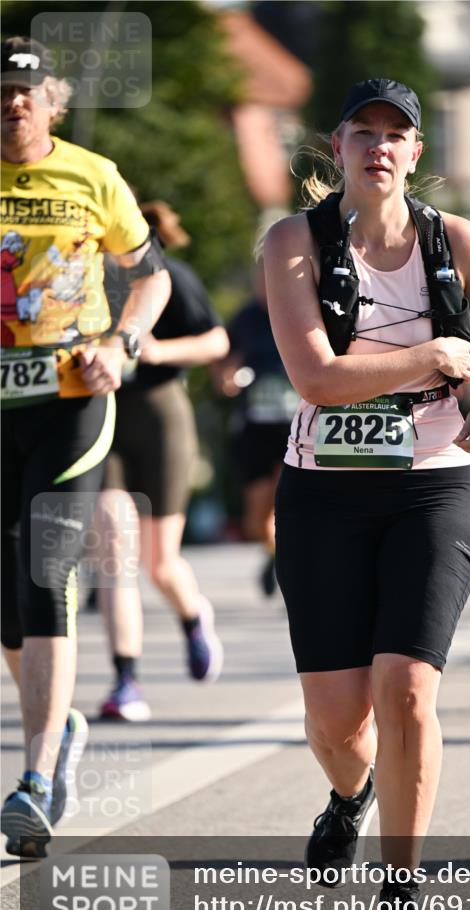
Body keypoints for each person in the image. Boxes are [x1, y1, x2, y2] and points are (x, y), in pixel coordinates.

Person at [263, 78, 470, 910]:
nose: (379, 146)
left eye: (395, 134)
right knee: (336, 722)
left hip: (435, 484)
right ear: (337, 147)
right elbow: (315, 378)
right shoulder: (294, 243)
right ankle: (349, 796)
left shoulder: (453, 241)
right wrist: (430, 355)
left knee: (407, 687)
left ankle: (400, 881)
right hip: (323, 493)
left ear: (415, 152)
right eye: (363, 132)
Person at [1, 38, 170, 855]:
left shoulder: (93, 175)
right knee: (8, 603)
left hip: (71, 399)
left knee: (46, 570)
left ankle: (35, 779)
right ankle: (60, 723)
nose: (12, 104)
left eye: (26, 93)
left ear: (51, 105)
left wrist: (122, 342)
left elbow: (151, 274)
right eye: (1, 92)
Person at [94, 200, 228, 721]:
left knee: (158, 560)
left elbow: (216, 340)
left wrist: (156, 352)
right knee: (113, 547)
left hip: (159, 415)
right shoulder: (76, 279)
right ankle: (125, 680)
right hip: (101, 415)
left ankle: (193, 617)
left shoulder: (167, 274)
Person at [210, 261, 298, 597]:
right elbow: (221, 359)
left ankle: (292, 566)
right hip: (256, 424)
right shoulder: (245, 318)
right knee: (257, 517)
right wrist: (225, 377)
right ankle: (275, 555)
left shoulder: (302, 308)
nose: (266, 286)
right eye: (259, 280)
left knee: (290, 501)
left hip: (296, 424)